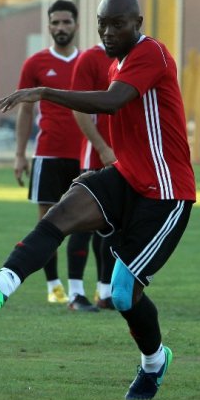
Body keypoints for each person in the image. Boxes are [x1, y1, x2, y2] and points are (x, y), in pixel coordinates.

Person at [0, 0, 196, 400]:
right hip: (127, 176)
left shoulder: (152, 53)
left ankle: (154, 363)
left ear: (139, 24)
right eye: (103, 24)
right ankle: (0, 283)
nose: (109, 31)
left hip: (166, 193)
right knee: (59, 214)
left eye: (119, 24)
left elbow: (113, 102)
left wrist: (44, 92)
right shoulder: (115, 60)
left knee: (121, 295)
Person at [12, 0, 96, 311]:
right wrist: (20, 154)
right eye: (55, 22)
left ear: (76, 25)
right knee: (48, 223)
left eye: (66, 22)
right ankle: (53, 287)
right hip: (47, 154)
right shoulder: (35, 64)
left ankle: (77, 290)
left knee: (83, 223)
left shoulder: (87, 62)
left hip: (84, 156)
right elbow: (25, 111)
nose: (61, 28)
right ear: (48, 26)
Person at [69, 42, 117, 310]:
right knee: (82, 223)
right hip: (96, 157)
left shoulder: (132, 58)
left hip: (123, 159)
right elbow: (79, 108)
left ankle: (105, 292)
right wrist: (102, 147)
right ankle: (75, 294)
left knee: (111, 226)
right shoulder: (90, 58)